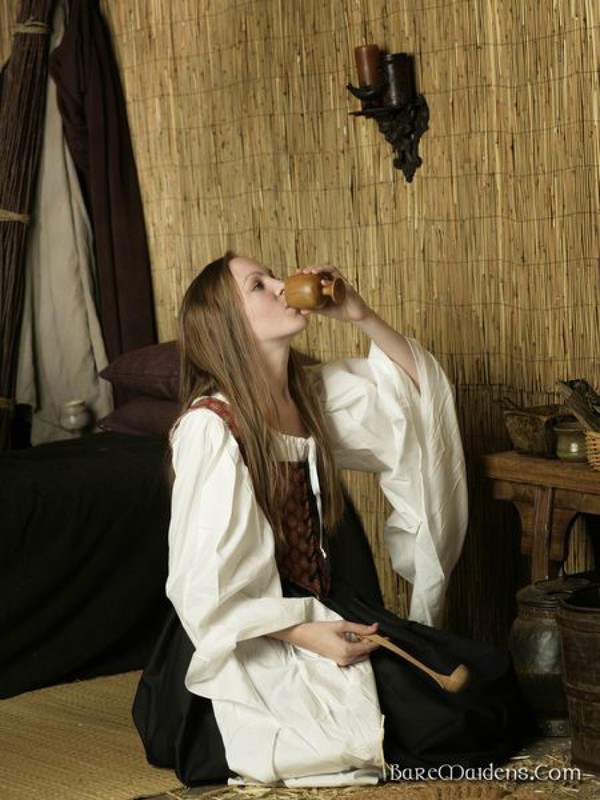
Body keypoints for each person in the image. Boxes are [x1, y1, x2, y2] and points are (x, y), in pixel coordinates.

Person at [133, 253, 527, 787]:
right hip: (245, 630)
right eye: (259, 285)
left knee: (490, 684)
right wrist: (305, 633)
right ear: (227, 323)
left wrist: (359, 314)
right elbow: (202, 586)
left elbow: (415, 398)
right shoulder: (211, 427)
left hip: (324, 604)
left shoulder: (310, 395)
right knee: (447, 729)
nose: (282, 286)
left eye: (274, 276)